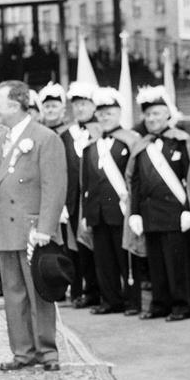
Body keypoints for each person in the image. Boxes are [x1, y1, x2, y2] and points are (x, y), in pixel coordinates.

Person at [0, 80, 67, 371]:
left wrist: (46, 227)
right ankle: (22, 351)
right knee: (13, 293)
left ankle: (47, 351)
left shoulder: (45, 138)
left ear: (16, 104)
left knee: (39, 293)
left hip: (34, 230)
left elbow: (54, 186)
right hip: (6, 229)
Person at [126, 86, 190, 321]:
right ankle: (159, 304)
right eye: (148, 115)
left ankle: (181, 305)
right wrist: (135, 213)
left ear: (168, 114)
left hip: (175, 213)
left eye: (157, 113)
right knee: (155, 262)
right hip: (149, 212)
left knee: (177, 262)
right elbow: (135, 182)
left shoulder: (180, 141)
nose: (152, 119)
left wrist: (189, 210)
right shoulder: (142, 145)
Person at [81, 88, 140, 315]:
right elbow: (86, 183)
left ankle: (132, 302)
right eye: (102, 113)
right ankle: (110, 300)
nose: (105, 117)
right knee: (103, 261)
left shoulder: (130, 140)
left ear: (119, 113)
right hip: (97, 211)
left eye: (110, 113)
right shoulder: (92, 145)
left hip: (121, 209)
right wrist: (86, 213)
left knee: (126, 258)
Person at [59, 82, 100, 307]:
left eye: (84, 104)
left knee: (100, 249)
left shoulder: (102, 131)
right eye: (76, 105)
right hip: (74, 201)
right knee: (80, 249)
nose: (80, 109)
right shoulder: (66, 135)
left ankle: (105, 290)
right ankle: (88, 291)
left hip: (98, 200)